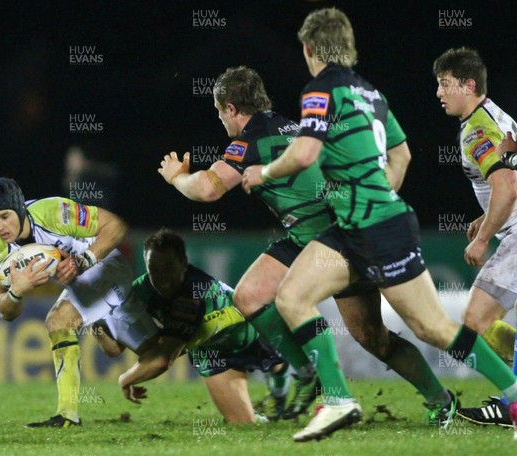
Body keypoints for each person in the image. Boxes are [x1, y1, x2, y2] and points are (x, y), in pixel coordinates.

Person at [241, 7, 517, 442]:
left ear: (311, 49)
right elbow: (402, 155)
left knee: (435, 328)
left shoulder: (320, 90)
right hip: (361, 224)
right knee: (292, 295)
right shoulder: (371, 93)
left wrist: (265, 172)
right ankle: (338, 399)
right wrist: (374, 194)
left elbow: (305, 154)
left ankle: (514, 394)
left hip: (375, 228)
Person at [158, 65, 460, 426]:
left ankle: (438, 398)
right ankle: (306, 373)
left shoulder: (253, 139)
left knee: (372, 336)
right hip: (307, 235)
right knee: (250, 295)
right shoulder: (287, 126)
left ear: (231, 109)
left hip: (335, 240)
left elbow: (207, 188)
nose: (220, 118)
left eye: (219, 111)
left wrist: (177, 178)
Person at [0, 176, 158, 427]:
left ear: (19, 208)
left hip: (105, 266)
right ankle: (152, 323)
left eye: (5, 216)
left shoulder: (54, 212)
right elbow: (5, 311)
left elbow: (115, 226)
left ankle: (67, 416)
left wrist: (83, 260)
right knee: (119, 350)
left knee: (57, 321)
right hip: (78, 284)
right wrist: (16, 292)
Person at [94, 228, 287, 423]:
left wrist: (125, 379)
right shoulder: (140, 290)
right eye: (154, 269)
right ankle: (267, 412)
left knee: (282, 367)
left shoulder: (193, 294)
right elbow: (113, 348)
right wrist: (96, 318)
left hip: (247, 329)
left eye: (168, 268)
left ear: (184, 264)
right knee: (243, 424)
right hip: (210, 351)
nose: (161, 278)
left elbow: (163, 359)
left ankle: (281, 388)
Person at [433, 47, 517, 427]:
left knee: (473, 325)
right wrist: (486, 218)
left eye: (444, 84)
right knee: (478, 323)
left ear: (468, 85)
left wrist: (483, 238)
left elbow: (507, 186)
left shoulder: (478, 129)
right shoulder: (496, 117)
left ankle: (510, 403)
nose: (439, 92)